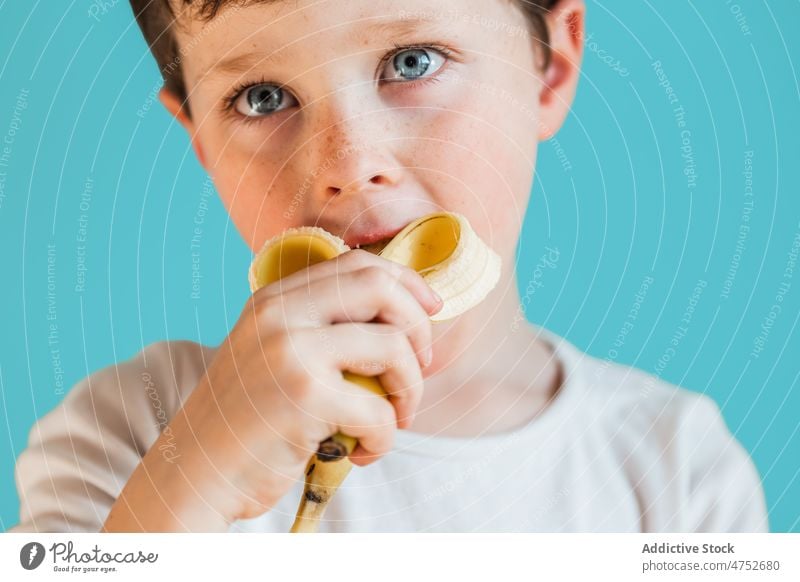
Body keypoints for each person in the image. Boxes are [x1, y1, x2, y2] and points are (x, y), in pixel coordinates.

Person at [9, 0, 768, 533]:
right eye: (263, 96)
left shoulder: (676, 465)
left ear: (551, 68)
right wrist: (191, 484)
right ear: (202, 142)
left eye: (413, 61)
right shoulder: (131, 432)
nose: (348, 163)